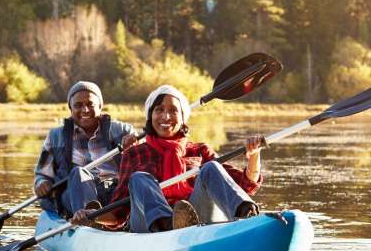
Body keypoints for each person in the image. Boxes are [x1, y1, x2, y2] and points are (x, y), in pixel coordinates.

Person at [73, 84, 263, 232]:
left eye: (173, 110)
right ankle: (167, 224)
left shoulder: (199, 150)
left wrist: (254, 155)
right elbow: (119, 214)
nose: (166, 116)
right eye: (159, 110)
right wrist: (93, 216)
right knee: (140, 177)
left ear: (182, 118)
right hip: (149, 228)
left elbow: (245, 184)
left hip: (196, 216)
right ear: (150, 116)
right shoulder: (135, 153)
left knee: (211, 167)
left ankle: (247, 216)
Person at [34, 81, 137, 218]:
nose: (85, 110)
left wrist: (134, 146)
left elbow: (142, 162)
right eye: (78, 105)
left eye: (90, 104)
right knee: (78, 172)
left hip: (115, 193)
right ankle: (88, 218)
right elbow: (42, 174)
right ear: (70, 108)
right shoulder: (55, 136)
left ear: (100, 106)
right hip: (74, 194)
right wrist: (41, 183)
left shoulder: (124, 130)